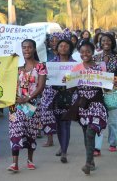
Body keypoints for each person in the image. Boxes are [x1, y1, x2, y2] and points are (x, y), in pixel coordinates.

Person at [7, 39, 47, 172]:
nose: (26, 50)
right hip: (15, 104)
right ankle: (14, 163)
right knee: (15, 130)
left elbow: (41, 86)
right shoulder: (17, 66)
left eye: (29, 47)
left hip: (32, 105)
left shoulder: (40, 66)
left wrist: (28, 98)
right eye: (24, 48)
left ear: (34, 49)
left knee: (31, 133)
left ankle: (30, 160)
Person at [69, 42, 108, 175]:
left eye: (88, 52)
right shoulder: (76, 68)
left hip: (96, 104)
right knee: (86, 134)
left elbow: (106, 87)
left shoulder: (100, 67)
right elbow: (71, 88)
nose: (85, 54)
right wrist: (67, 81)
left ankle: (87, 164)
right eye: (82, 52)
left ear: (93, 53)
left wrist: (112, 82)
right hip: (82, 106)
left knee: (91, 132)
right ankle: (91, 161)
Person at [39, 40, 76, 163]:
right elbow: (46, 81)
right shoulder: (50, 64)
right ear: (57, 48)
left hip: (69, 97)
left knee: (66, 123)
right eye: (61, 46)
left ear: (70, 48)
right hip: (55, 97)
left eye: (66, 46)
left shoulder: (75, 64)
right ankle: (62, 146)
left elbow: (78, 82)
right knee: (59, 124)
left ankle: (64, 152)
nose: (63, 47)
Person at [93, 33, 117, 156]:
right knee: (98, 120)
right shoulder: (95, 58)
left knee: (113, 121)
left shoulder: (116, 57)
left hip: (113, 93)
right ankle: (97, 147)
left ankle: (113, 143)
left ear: (112, 42)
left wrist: (114, 80)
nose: (105, 42)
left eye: (108, 40)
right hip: (97, 93)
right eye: (103, 40)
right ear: (100, 42)